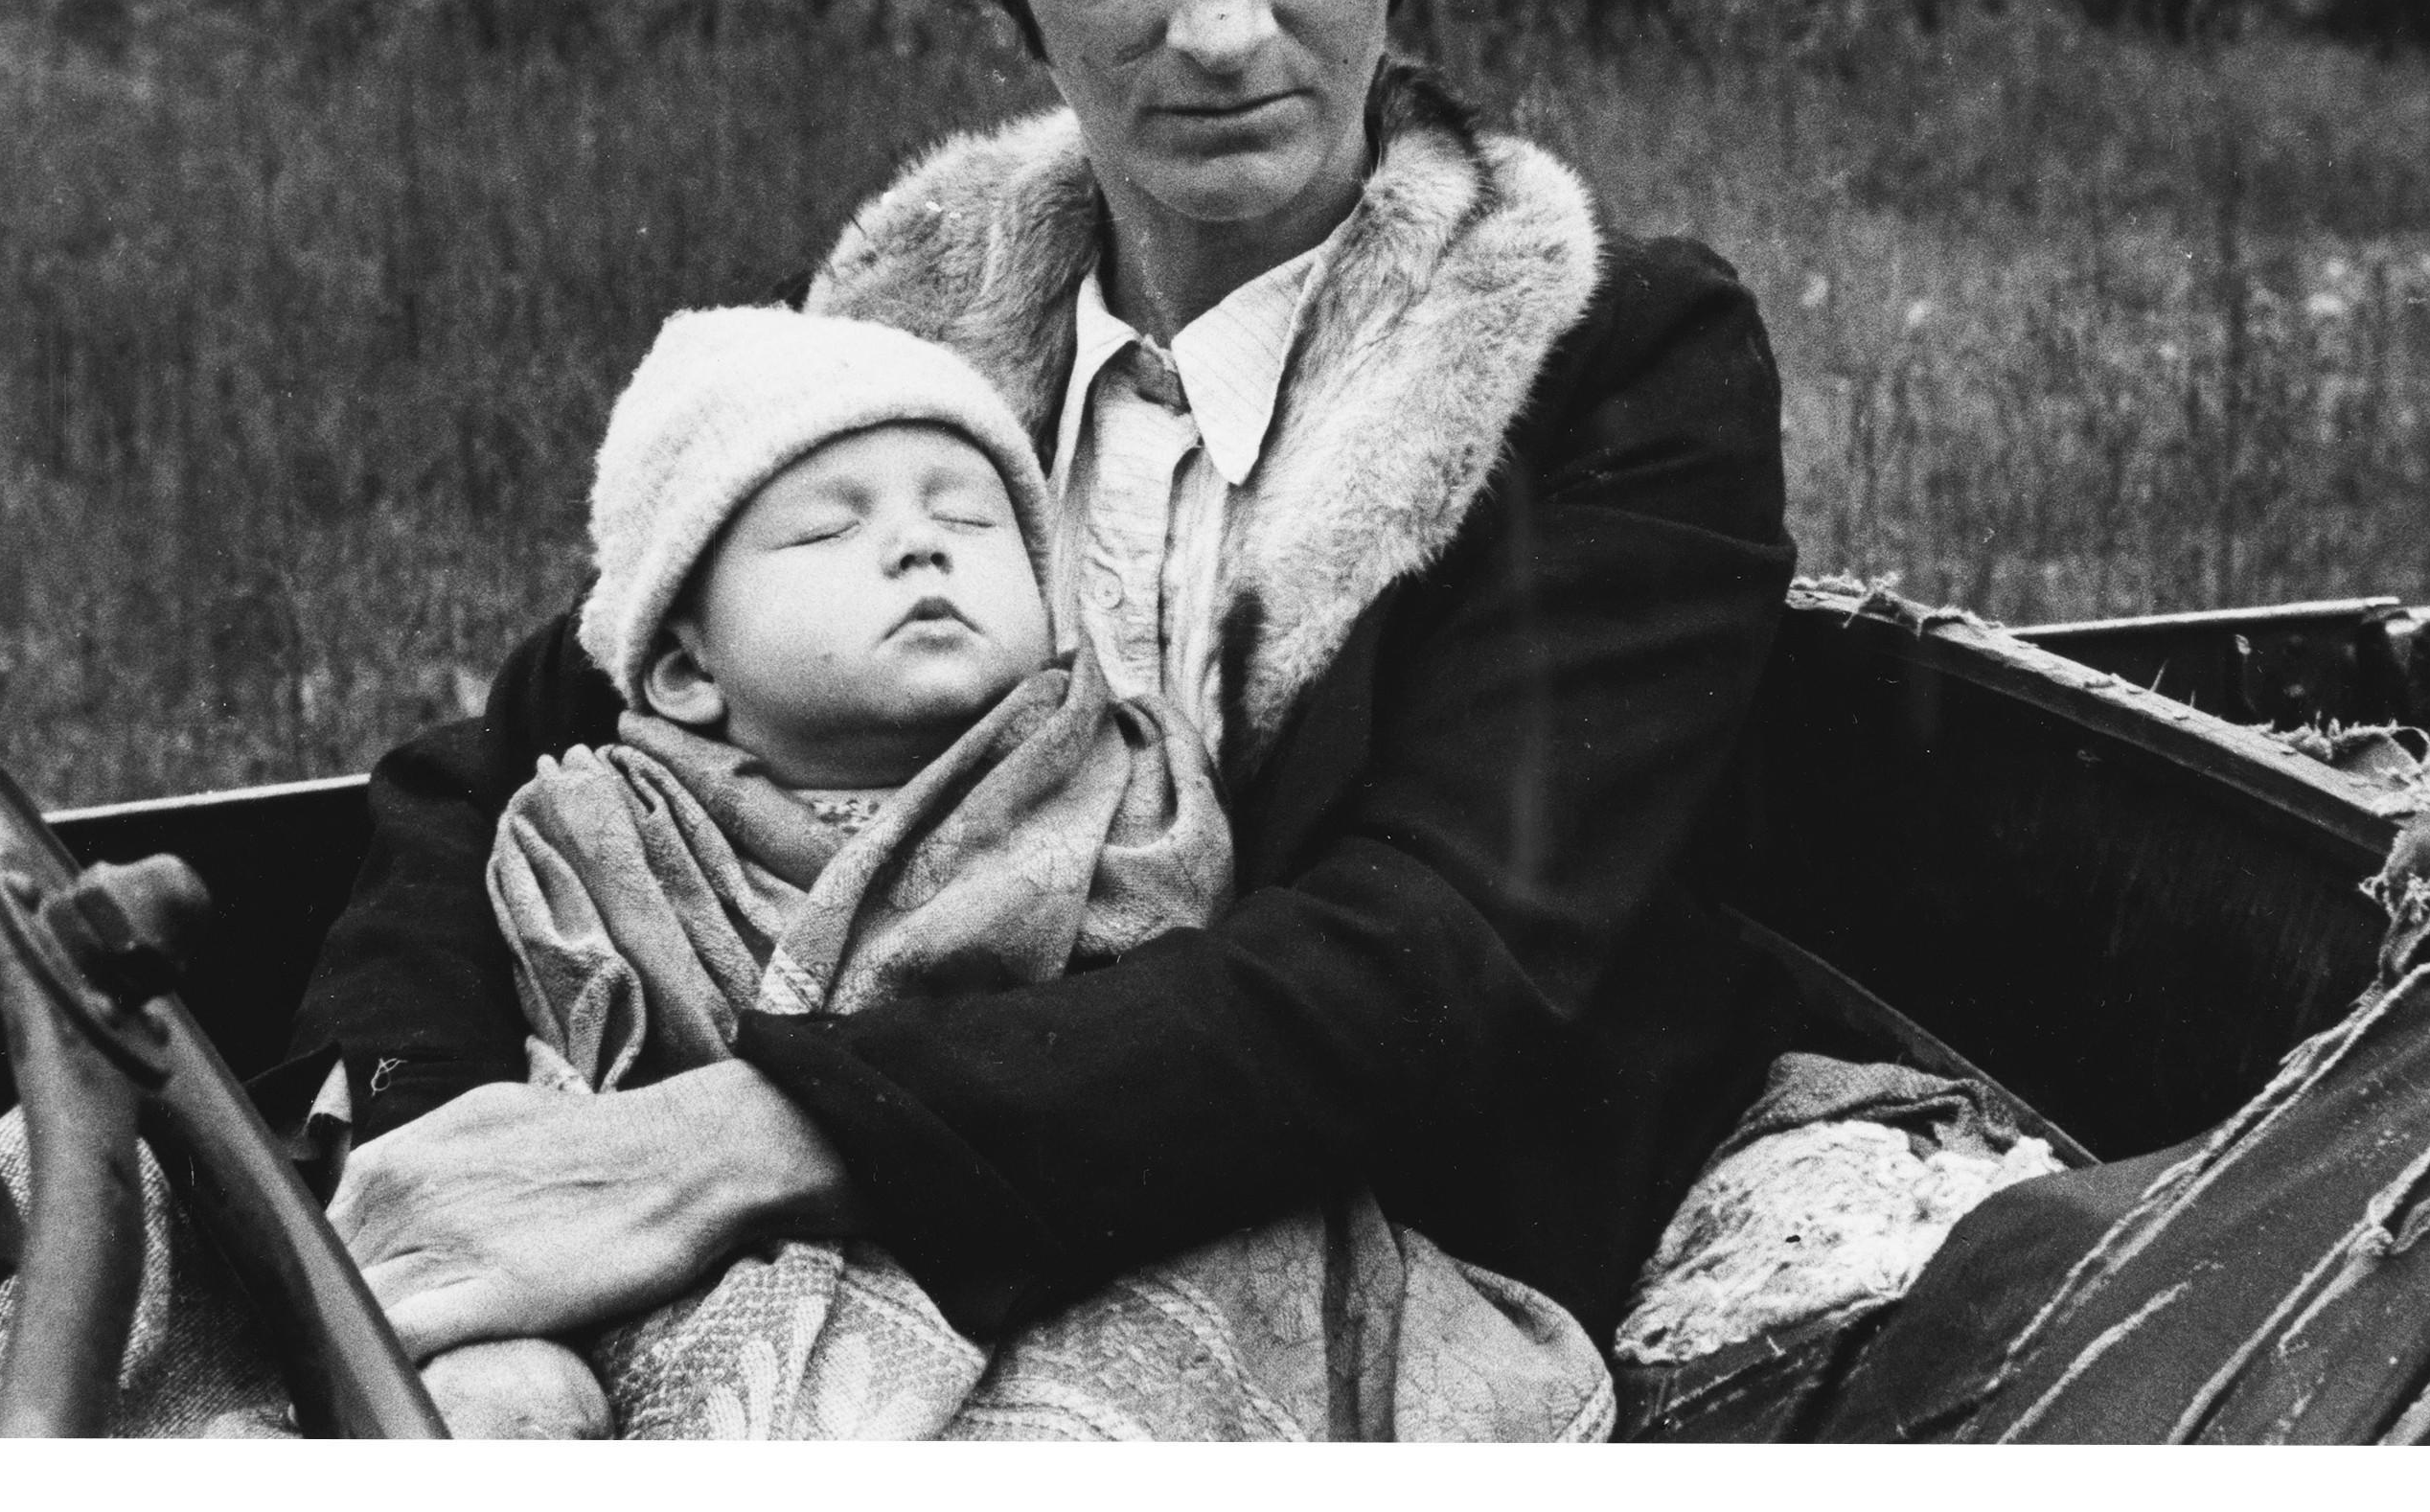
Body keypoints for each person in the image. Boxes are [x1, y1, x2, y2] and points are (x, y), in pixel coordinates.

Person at [280, 0, 1800, 1431]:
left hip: (1349, 1249)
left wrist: (710, 1150)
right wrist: (422, 1140)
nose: (1226, 17)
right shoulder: (893, 337)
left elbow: (1443, 961)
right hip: (832, 1245)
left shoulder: (1600, 356)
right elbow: (492, 760)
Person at [452, 302, 1607, 1438]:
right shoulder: (607, 833)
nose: (919, 543)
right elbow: (560, 1073)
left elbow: (1163, 1031)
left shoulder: (1117, 788)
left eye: (968, 515)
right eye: (823, 531)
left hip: (1078, 1210)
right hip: (690, 1251)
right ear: (684, 674)